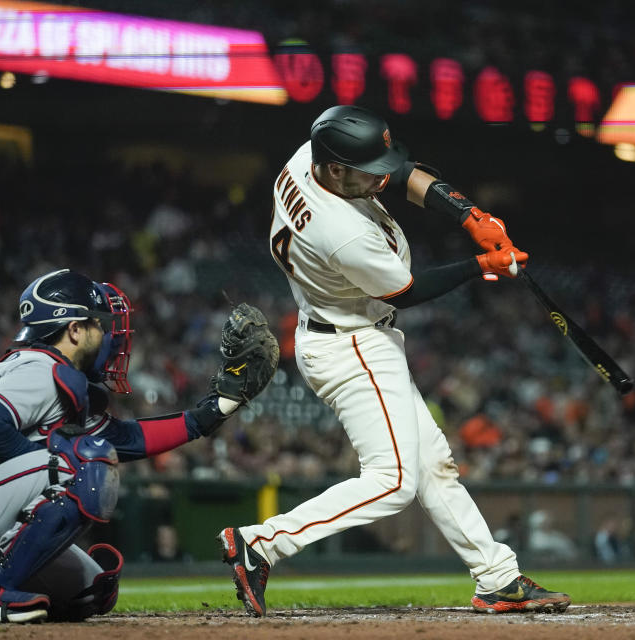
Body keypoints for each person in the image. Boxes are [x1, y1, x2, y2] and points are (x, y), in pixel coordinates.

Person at [219, 105, 570, 616]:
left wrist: (468, 214)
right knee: (394, 480)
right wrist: (482, 264)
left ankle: (498, 577)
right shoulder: (340, 230)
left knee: (433, 464)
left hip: (349, 331)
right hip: (352, 343)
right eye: (368, 168)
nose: (381, 176)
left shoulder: (308, 160)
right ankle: (262, 543)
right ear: (335, 168)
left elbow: (402, 173)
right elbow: (405, 291)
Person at [0, 269, 278, 623]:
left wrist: (212, 413)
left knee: (93, 591)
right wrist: (54, 464)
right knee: (85, 465)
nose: (110, 335)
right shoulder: (38, 365)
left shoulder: (52, 372)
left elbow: (125, 440)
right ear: (73, 330)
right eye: (100, 325)